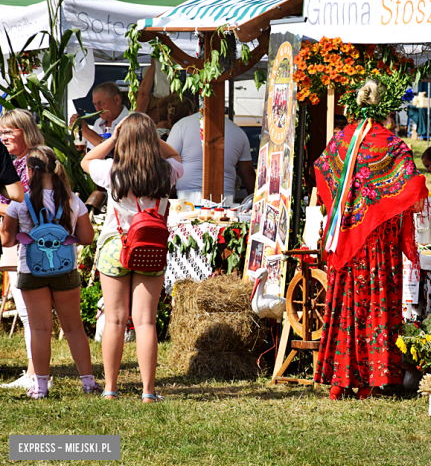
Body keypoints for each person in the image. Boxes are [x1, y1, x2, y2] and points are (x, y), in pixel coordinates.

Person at [314, 76, 427, 400]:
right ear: (386, 110)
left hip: (347, 240)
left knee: (346, 305)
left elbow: (323, 171)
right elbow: (414, 187)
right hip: (378, 245)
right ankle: (372, 381)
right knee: (374, 306)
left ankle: (340, 379)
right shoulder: (391, 144)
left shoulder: (341, 139)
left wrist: (345, 207)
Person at [81, 113, 184, 402]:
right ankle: (148, 392)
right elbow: (176, 155)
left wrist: (113, 138)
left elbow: (85, 161)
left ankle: (111, 389)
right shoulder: (167, 171)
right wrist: (154, 139)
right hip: (151, 245)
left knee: (114, 320)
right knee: (146, 322)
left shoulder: (111, 170)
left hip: (116, 245)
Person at [0, 146, 99, 399]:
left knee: (40, 329)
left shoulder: (19, 203)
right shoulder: (71, 199)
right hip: (65, 271)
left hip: (31, 271)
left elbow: (7, 239)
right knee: (74, 326)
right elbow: (87, 238)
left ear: (29, 171)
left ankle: (40, 386)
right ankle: (88, 382)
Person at [0, 110, 46, 390]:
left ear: (26, 131)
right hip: (15, 237)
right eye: (1, 132)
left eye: (9, 131)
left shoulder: (32, 163)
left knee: (30, 310)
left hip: (28, 239)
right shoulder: (16, 162)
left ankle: (35, 372)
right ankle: (33, 369)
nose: (4, 137)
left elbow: (28, 205)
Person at [166, 112, 255, 205]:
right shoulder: (238, 131)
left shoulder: (182, 125)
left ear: (196, 102)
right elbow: (248, 173)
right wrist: (255, 204)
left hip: (187, 197)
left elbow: (167, 163)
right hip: (224, 199)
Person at [69, 82, 130, 149]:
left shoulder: (131, 122)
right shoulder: (98, 122)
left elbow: (117, 152)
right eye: (95, 104)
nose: (98, 109)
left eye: (101, 103)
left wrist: (85, 131)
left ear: (117, 100)